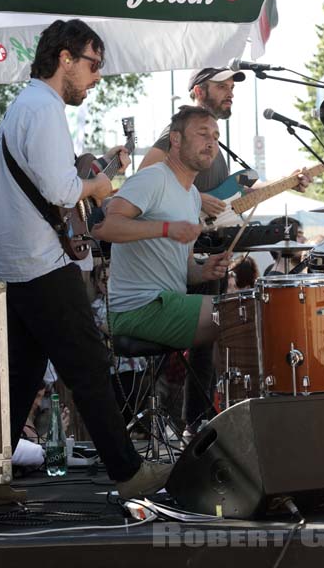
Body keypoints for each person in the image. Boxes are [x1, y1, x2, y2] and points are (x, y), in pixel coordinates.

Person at [0, 18, 171, 498]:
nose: (96, 78)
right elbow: (59, 190)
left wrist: (92, 175)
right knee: (90, 367)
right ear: (65, 57)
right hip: (41, 264)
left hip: (16, 265)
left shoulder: (22, 107)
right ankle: (129, 473)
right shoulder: (45, 108)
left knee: (15, 382)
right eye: (93, 65)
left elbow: (48, 187)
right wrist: (96, 185)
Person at [139, 67, 312, 435]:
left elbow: (243, 187)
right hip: (181, 252)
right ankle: (169, 421)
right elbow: (146, 175)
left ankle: (195, 422)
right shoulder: (177, 134)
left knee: (208, 339)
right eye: (222, 86)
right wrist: (194, 195)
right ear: (199, 92)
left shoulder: (217, 145)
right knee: (187, 339)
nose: (230, 92)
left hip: (207, 250)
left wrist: (291, 181)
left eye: (232, 86)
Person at [92, 106, 231, 433]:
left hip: (166, 302)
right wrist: (166, 229)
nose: (211, 142)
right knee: (239, 316)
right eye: (202, 134)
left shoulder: (191, 196)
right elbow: (106, 229)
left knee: (242, 313)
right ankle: (223, 422)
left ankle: (210, 421)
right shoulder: (153, 179)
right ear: (176, 140)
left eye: (215, 137)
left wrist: (204, 270)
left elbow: (183, 272)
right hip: (138, 309)